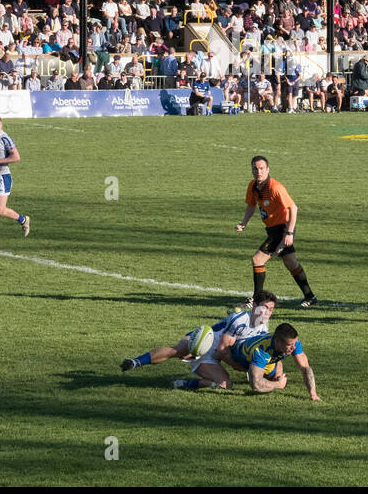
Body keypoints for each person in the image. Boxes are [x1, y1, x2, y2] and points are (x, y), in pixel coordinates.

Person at [120, 291, 278, 387]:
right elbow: (221, 352)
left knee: (225, 385)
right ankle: (135, 362)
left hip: (216, 354)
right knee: (178, 350)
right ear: (255, 304)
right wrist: (243, 368)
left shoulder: (263, 326)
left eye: (271, 309)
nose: (267, 313)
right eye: (264, 308)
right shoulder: (239, 320)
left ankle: (185, 384)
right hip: (205, 341)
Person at [236, 155, 316, 307]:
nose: (258, 171)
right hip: (272, 230)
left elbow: (293, 208)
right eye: (255, 168)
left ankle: (257, 300)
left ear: (267, 170)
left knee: (257, 260)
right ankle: (310, 297)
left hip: (282, 229)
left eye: (261, 168)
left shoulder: (275, 187)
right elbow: (251, 206)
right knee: (291, 263)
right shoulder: (253, 186)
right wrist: (243, 223)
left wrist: (289, 233)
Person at [183, 322, 320, 400]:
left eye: (295, 343)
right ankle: (187, 383)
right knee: (225, 384)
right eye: (290, 345)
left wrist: (313, 394)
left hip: (269, 359)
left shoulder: (292, 343)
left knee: (275, 375)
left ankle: (274, 368)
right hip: (239, 358)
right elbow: (256, 385)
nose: (294, 347)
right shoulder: (261, 351)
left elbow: (305, 367)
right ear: (277, 341)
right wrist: (278, 384)